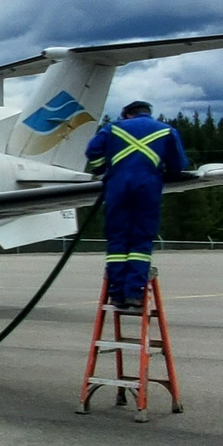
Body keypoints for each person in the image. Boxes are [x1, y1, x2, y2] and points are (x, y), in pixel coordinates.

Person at [85, 100, 188, 311]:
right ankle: (134, 293)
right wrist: (164, 174)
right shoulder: (166, 130)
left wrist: (102, 170)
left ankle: (116, 294)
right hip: (148, 189)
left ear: (127, 114)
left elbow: (92, 152)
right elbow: (178, 164)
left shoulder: (113, 128)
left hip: (117, 189)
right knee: (141, 240)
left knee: (118, 239)